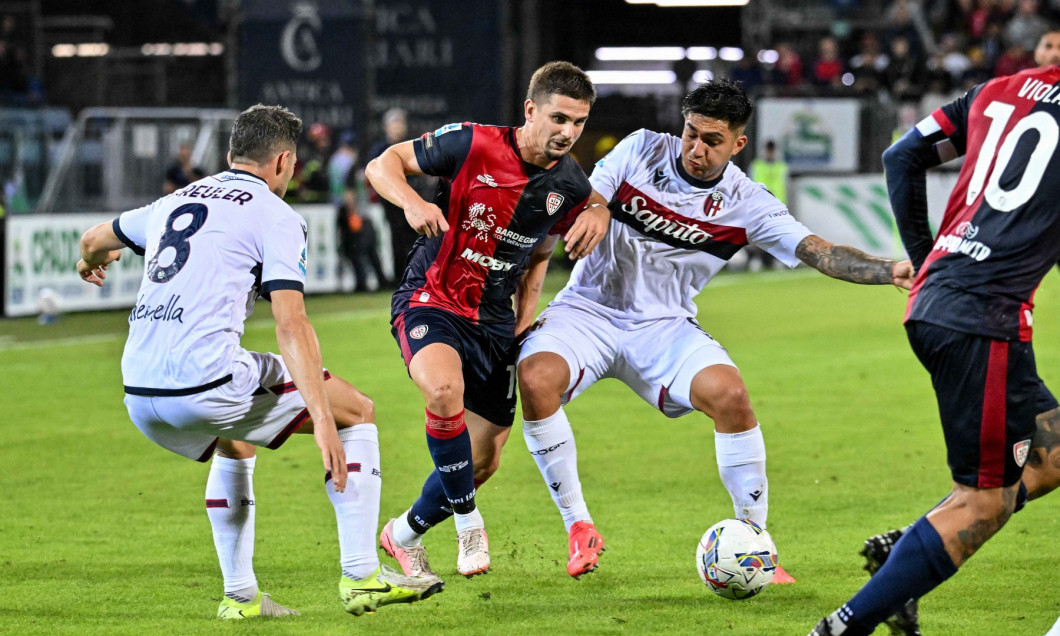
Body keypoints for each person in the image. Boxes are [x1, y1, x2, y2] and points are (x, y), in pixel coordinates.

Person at [516, 79, 915, 581]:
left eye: (712, 140)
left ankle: (756, 541)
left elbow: (819, 251)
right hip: (587, 310)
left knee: (730, 396)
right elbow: (594, 189)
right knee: (533, 378)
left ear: (738, 144)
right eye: (690, 133)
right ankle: (579, 526)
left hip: (663, 327)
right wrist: (596, 208)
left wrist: (888, 269)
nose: (695, 149)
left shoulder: (747, 202)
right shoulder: (642, 147)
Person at [75, 104, 440, 620]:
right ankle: (363, 577)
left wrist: (93, 262)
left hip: (139, 392)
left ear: (230, 154)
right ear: (284, 162)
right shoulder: (274, 214)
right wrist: (322, 422)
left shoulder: (176, 198)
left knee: (236, 436)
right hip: (205, 382)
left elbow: (92, 240)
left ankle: (240, 598)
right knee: (356, 411)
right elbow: (292, 325)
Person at [809, 62, 1060, 636]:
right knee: (984, 504)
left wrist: (925, 261)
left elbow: (901, 155)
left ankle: (909, 552)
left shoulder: (999, 90)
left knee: (1052, 452)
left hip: (939, 302)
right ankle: (842, 628)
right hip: (986, 322)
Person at [364, 61, 609, 579]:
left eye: (579, 123)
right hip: (432, 298)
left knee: (483, 461)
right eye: (559, 118)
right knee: (442, 393)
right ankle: (469, 523)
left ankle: (401, 533)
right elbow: (382, 164)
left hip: (494, 325)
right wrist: (410, 202)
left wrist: (525, 319)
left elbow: (541, 251)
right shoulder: (471, 143)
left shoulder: (567, 184)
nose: (568, 132)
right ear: (530, 110)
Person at [367, 108, 423, 285]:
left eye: (400, 123)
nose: (397, 127)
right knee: (396, 238)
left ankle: (419, 275)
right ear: (386, 127)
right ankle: (401, 277)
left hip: (414, 199)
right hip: (392, 201)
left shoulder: (413, 146)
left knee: (416, 237)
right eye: (394, 123)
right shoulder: (380, 149)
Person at [329, 131, 388, 291]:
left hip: (346, 210)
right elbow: (350, 191)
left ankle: (365, 282)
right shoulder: (353, 164)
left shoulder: (335, 161)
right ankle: (374, 281)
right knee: (366, 248)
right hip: (356, 212)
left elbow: (342, 190)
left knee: (354, 249)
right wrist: (353, 213)